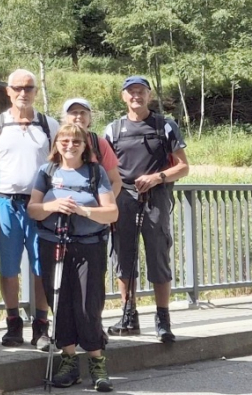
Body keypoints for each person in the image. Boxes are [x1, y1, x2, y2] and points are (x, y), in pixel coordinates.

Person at [29, 124, 118, 392]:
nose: (70, 145)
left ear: (85, 145)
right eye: (64, 140)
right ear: (56, 144)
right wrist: (51, 206)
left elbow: (111, 213)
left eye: (76, 141)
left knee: (87, 303)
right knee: (60, 301)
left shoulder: (95, 172)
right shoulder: (46, 172)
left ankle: (97, 363)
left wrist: (82, 210)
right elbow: (33, 209)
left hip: (88, 246)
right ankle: (68, 361)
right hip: (53, 244)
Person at [103, 76, 189, 343]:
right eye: (131, 92)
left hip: (156, 197)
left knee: (158, 256)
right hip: (124, 198)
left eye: (140, 91)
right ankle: (129, 316)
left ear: (149, 95)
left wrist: (157, 177)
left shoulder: (165, 125)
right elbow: (106, 169)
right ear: (123, 97)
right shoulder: (113, 130)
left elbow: (183, 167)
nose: (136, 96)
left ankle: (163, 320)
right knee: (123, 258)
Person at [0, 70, 59, 350]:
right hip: (5, 203)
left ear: (36, 90)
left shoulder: (49, 124)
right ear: (8, 91)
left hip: (40, 205)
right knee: (9, 267)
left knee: (41, 267)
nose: (23, 92)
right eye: (17, 87)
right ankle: (13, 322)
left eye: (28, 87)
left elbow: (58, 165)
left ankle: (41, 325)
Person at [59, 98, 122, 193]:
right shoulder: (59, 142)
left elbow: (116, 181)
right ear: (65, 117)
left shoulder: (99, 143)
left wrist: (106, 205)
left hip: (94, 205)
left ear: (90, 117)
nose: (79, 116)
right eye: (74, 112)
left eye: (83, 112)